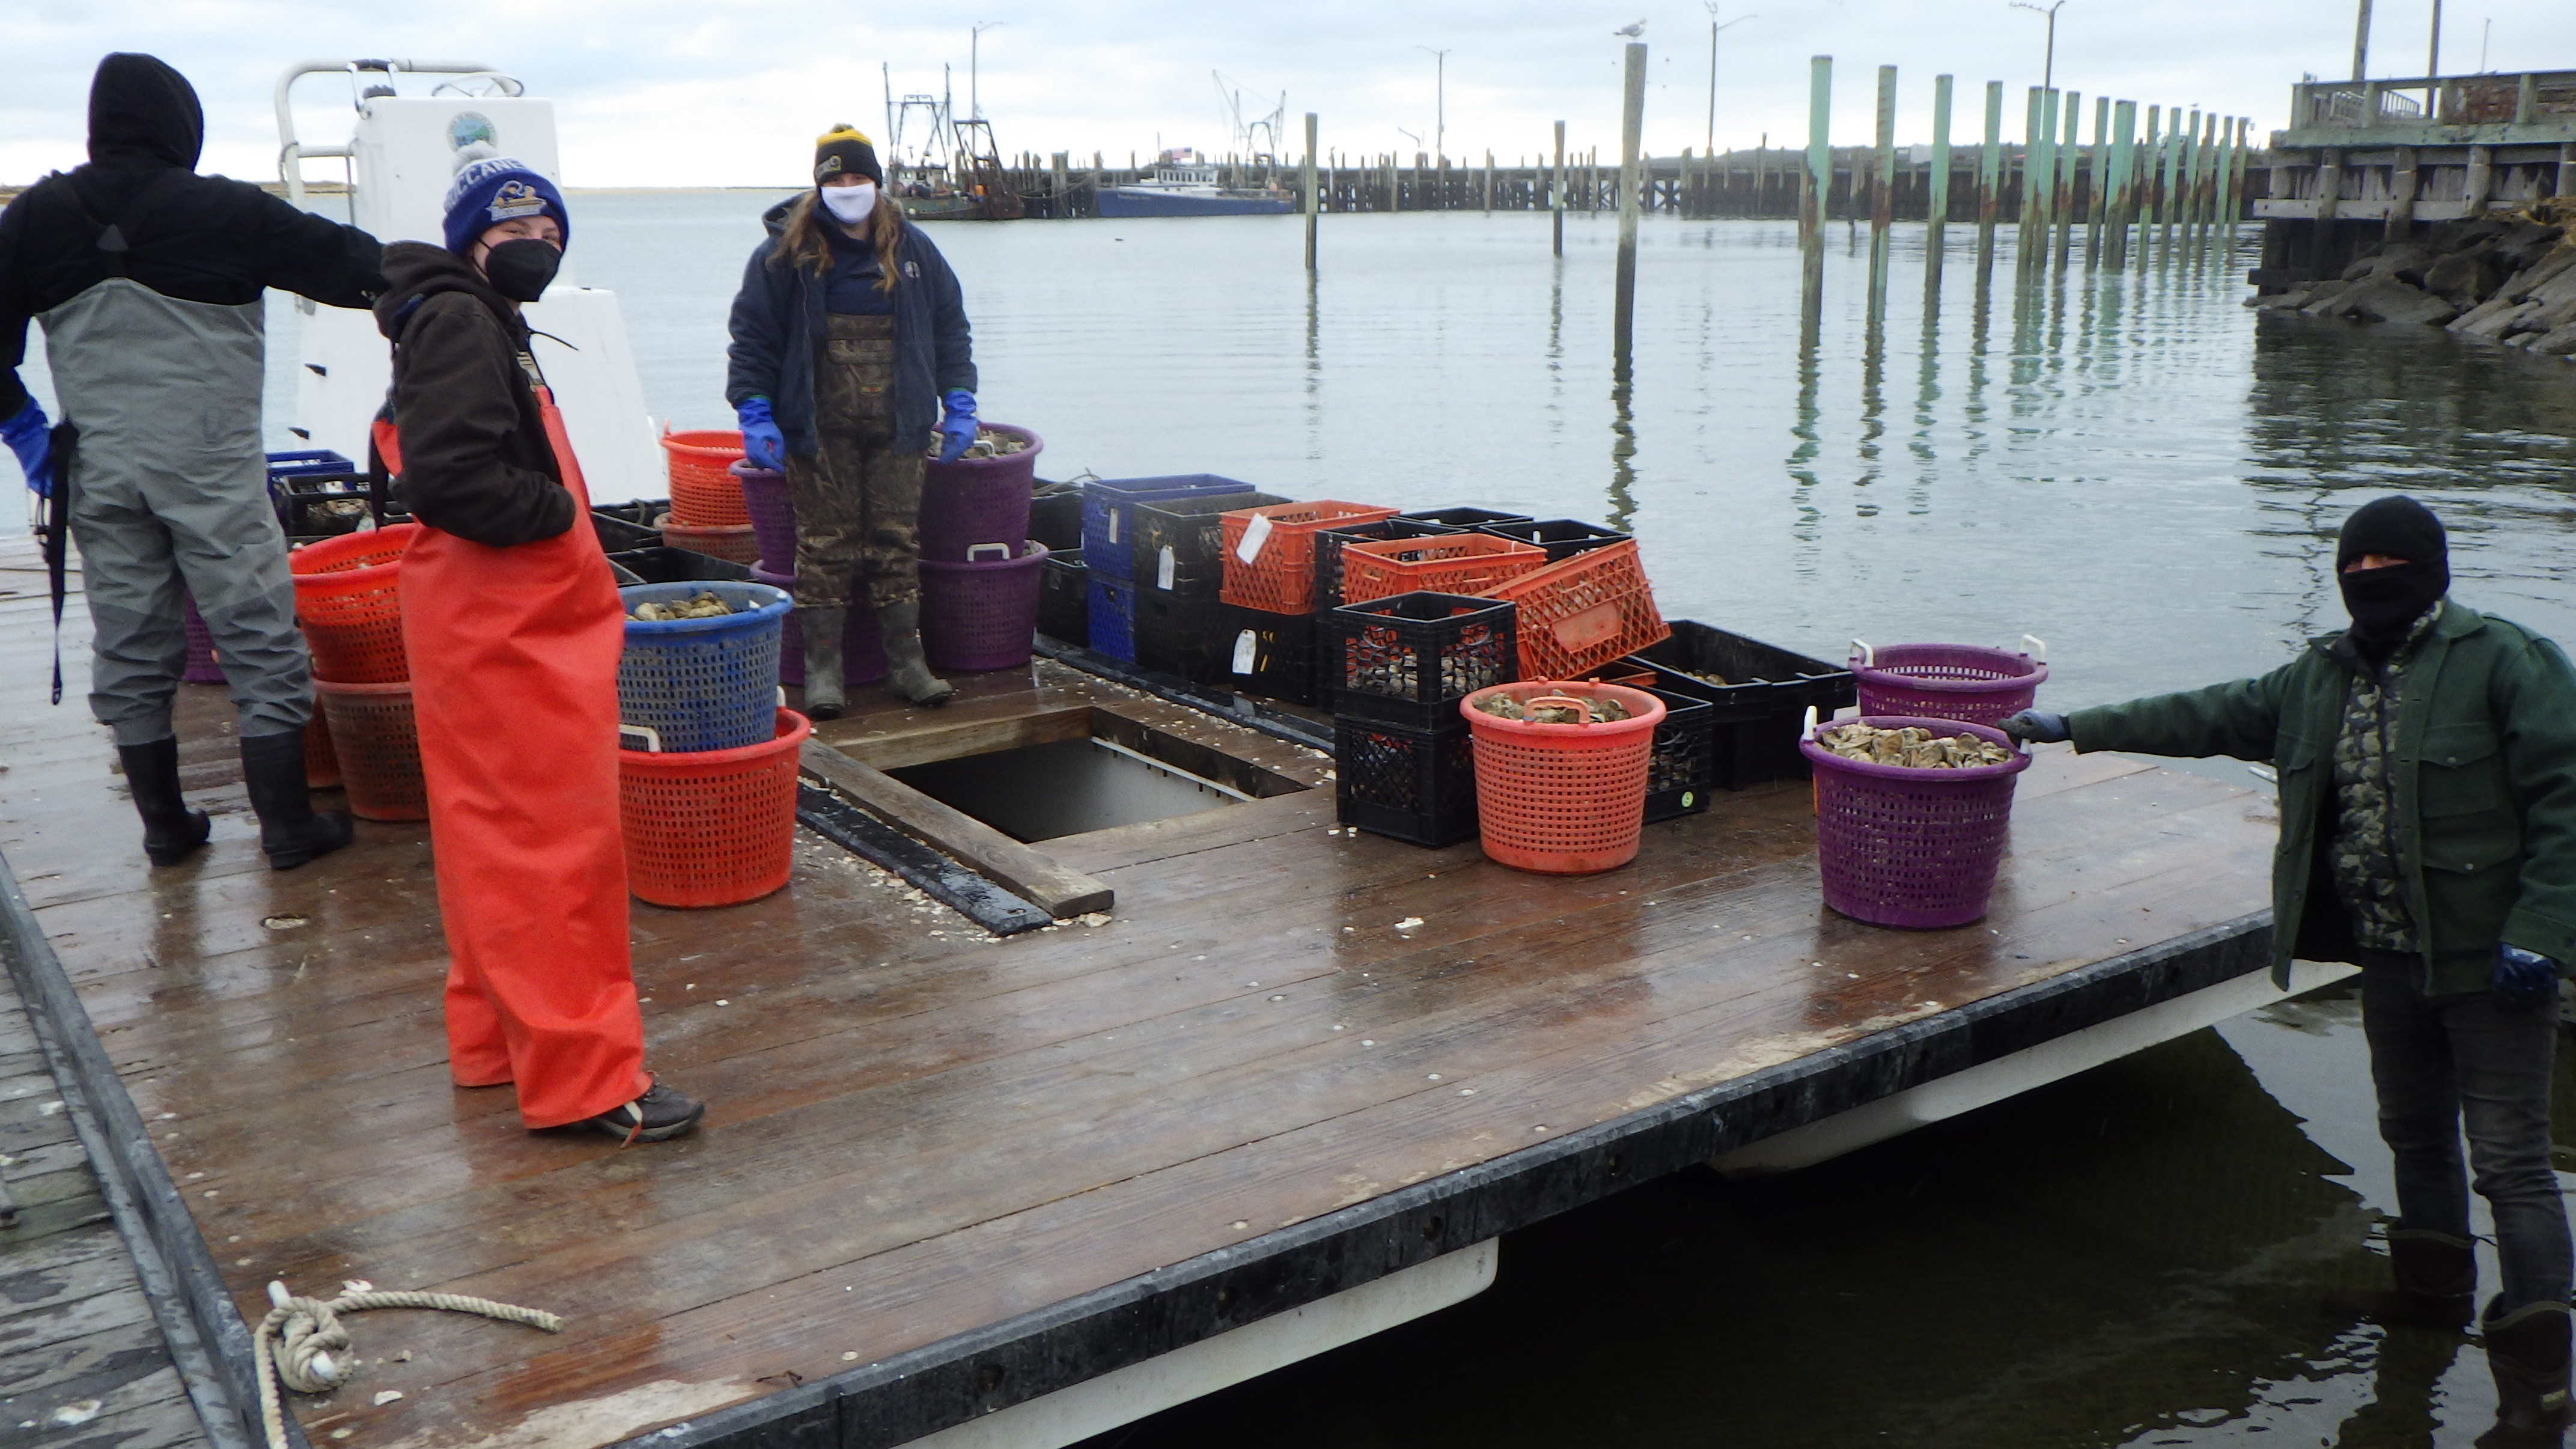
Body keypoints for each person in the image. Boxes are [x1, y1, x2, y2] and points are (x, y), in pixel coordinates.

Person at [2005, 496, 2576, 1446]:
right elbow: (2204, 711)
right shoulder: (2317, 676)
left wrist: (2541, 933)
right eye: (2356, 566)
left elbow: (2566, 798)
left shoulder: (2505, 661)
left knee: (2511, 1161)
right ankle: (2427, 1298)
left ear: (2431, 567)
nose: (2371, 578)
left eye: (2390, 562)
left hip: (2491, 967)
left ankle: (2539, 1387)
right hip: (2388, 954)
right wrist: (2070, 724)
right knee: (2411, 1131)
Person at [372, 152, 702, 1144]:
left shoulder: (454, 315)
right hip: (509, 632)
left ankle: (492, 1045)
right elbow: (453, 481)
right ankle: (586, 1079)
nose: (535, 247)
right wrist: (559, 512)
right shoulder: (465, 322)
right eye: (511, 231)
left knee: (487, 846)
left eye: (550, 233)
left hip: (479, 628)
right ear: (469, 240)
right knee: (556, 857)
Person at [0, 53, 377, 870]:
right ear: (182, 124)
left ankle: (167, 826)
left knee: (132, 641)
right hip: (208, 463)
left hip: (92, 465)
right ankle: (285, 828)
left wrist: (32, 439)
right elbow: (359, 270)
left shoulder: (36, 216)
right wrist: (447, 276)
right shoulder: (226, 210)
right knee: (256, 635)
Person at [725, 125, 978, 717]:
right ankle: (824, 673)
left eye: (858, 177)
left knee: (896, 542)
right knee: (825, 546)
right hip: (818, 426)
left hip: (900, 422)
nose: (848, 187)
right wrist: (755, 411)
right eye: (835, 179)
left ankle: (908, 666)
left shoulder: (914, 251)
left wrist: (960, 399)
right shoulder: (781, 256)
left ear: (877, 182)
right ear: (818, 186)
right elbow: (753, 340)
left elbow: (951, 328)